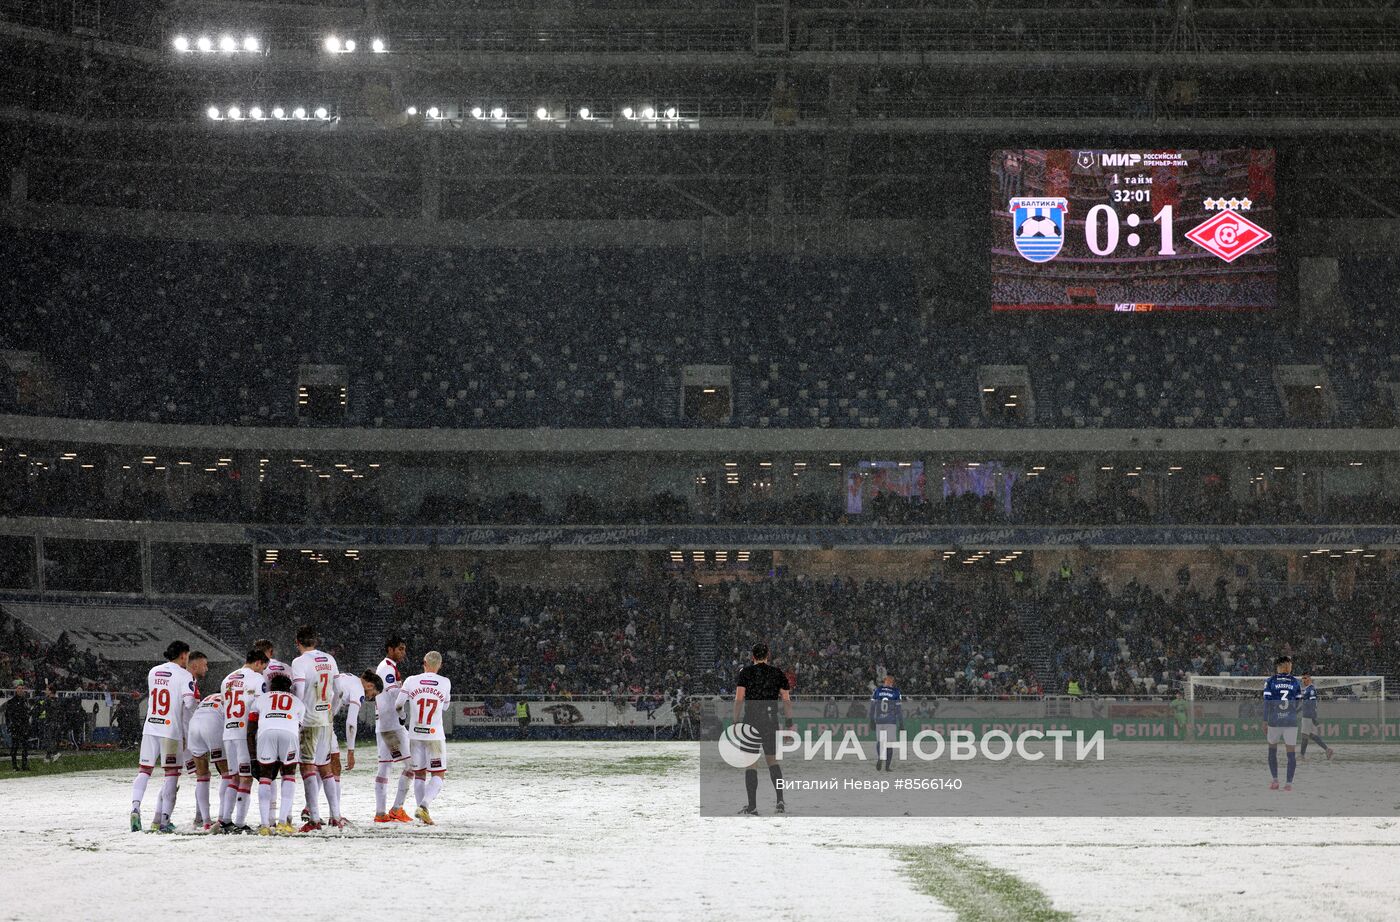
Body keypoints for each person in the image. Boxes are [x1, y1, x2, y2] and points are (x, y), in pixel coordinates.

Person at [129, 641, 198, 833]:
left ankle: (135, 807)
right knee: (171, 775)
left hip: (151, 727)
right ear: (183, 655)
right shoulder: (184, 675)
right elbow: (190, 702)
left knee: (144, 770)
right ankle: (164, 821)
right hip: (170, 730)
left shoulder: (154, 671)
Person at [733, 643, 793, 816]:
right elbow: (786, 701)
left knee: (751, 764)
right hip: (770, 720)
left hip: (751, 720)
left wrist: (735, 721)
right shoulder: (777, 673)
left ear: (752, 656)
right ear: (768, 655)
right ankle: (780, 801)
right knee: (772, 761)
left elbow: (739, 699)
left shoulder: (745, 673)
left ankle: (752, 806)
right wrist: (789, 724)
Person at [291, 625, 341, 831]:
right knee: (325, 768)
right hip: (326, 719)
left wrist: (297, 717)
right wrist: (333, 712)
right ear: (316, 641)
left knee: (307, 767)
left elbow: (300, 690)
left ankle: (314, 819)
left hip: (309, 720)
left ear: (298, 643)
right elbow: (339, 691)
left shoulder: (299, 662)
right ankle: (336, 817)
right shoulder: (329, 659)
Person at [319, 669, 382, 828]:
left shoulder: (349, 677)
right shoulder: (359, 690)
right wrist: (351, 751)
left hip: (315, 714)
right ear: (369, 685)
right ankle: (334, 815)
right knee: (330, 766)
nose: (371, 697)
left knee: (320, 765)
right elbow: (351, 723)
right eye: (373, 693)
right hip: (322, 721)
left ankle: (321, 812)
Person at [216, 649, 269, 833]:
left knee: (233, 778)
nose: (262, 671)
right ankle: (239, 823)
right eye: (263, 667)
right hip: (243, 733)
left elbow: (224, 705)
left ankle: (225, 820)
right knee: (246, 779)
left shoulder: (227, 679)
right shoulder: (256, 679)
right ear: (257, 663)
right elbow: (259, 708)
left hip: (228, 732)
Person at [249, 673, 306, 836]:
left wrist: (253, 756)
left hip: (266, 733)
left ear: (271, 687)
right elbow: (299, 727)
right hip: (289, 733)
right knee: (288, 775)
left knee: (265, 777)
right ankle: (283, 823)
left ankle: (265, 824)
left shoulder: (261, 699)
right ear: (289, 688)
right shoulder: (299, 702)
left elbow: (251, 728)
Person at [400, 651, 452, 825]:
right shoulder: (445, 682)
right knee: (438, 773)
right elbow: (445, 707)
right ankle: (423, 806)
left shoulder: (411, 680)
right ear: (440, 665)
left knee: (419, 774)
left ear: (424, 662)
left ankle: (422, 814)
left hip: (415, 734)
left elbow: (398, 704)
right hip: (434, 735)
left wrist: (402, 715)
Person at [373, 636, 414, 824]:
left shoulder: (386, 667)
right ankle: (397, 809)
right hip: (392, 726)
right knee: (411, 766)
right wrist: (407, 692)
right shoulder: (387, 667)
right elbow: (392, 692)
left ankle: (380, 813)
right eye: (400, 649)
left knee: (384, 767)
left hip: (383, 724)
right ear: (390, 649)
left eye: (404, 649)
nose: (403, 653)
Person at [1262, 654, 1302, 791]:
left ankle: (1275, 781)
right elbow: (1298, 703)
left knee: (1272, 750)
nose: (1291, 667)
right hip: (1290, 721)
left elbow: (1267, 702)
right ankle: (1289, 784)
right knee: (1291, 753)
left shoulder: (1270, 681)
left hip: (1274, 720)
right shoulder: (1295, 682)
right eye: (1289, 664)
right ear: (1283, 665)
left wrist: (1265, 720)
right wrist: (1291, 712)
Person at [1298, 674, 1335, 762]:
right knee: (1311, 735)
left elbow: (1311, 704)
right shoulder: (1307, 690)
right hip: (1307, 715)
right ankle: (1327, 750)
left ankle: (1302, 756)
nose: (1304, 680)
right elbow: (1305, 704)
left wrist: (1313, 717)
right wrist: (1297, 711)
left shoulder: (1310, 690)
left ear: (1310, 679)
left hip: (1308, 716)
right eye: (1303, 679)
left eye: (1306, 678)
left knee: (1305, 736)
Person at [870, 674, 902, 772]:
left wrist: (871, 719)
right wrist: (901, 723)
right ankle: (887, 767)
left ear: (885, 681)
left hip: (879, 720)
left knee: (880, 741)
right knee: (889, 744)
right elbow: (898, 710)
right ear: (892, 682)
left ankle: (880, 757)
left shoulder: (878, 690)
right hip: (891, 721)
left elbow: (872, 706)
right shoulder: (896, 692)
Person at [6, 680, 31, 770]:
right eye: (19, 688)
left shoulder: (25, 701)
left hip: (24, 726)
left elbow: (27, 713)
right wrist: (9, 725)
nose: (20, 690)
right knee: (15, 747)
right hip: (16, 727)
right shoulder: (11, 702)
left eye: (22, 689)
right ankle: (14, 765)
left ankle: (24, 765)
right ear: (16, 690)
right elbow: (8, 715)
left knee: (25, 747)